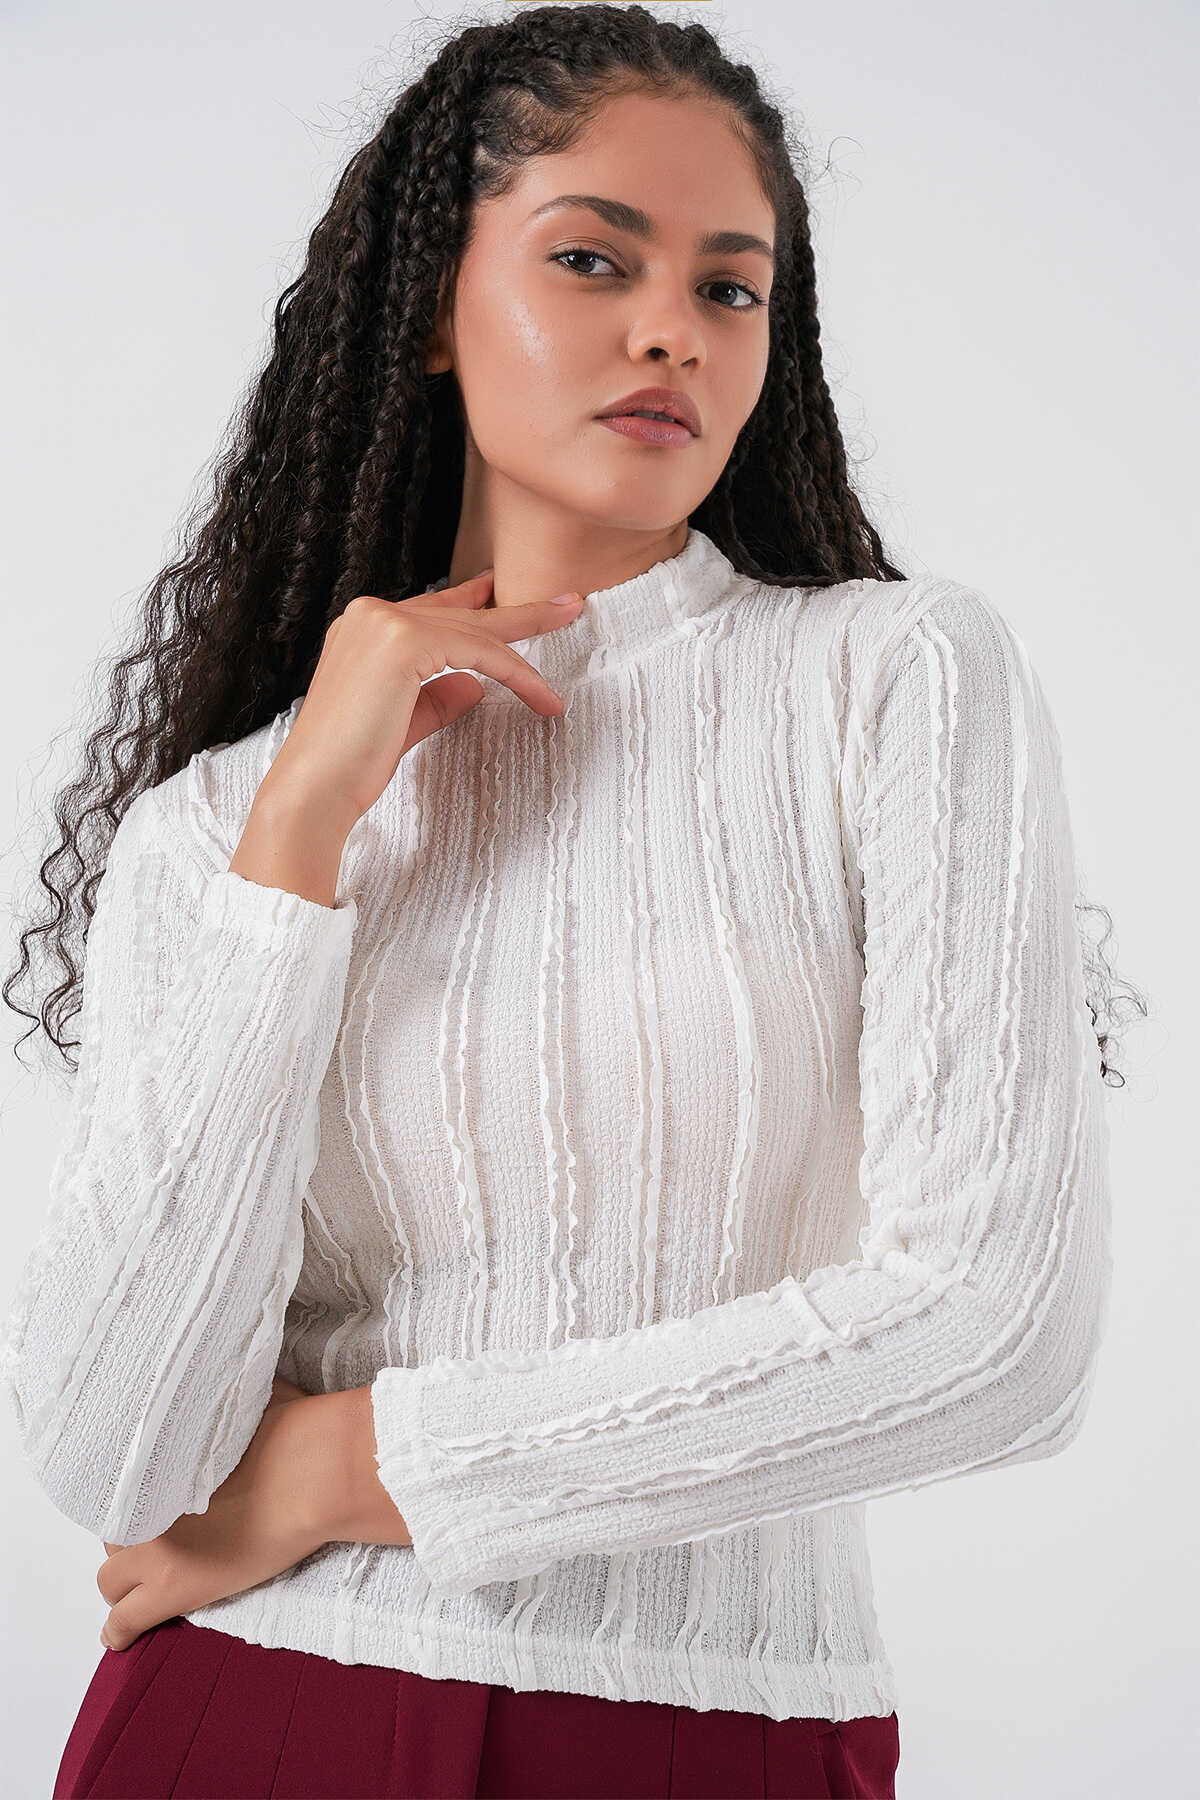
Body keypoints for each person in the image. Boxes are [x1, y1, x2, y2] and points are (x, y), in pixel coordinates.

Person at [2, 6, 1135, 1796]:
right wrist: (296, 844)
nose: (672, 327)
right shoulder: (224, 821)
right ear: (428, 308)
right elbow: (117, 1454)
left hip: (721, 1734)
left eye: (730, 287)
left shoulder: (894, 681)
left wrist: (345, 1467)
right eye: (593, 259)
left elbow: (995, 1336)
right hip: (250, 1715)